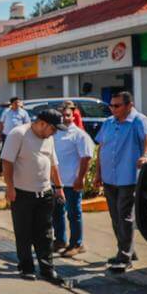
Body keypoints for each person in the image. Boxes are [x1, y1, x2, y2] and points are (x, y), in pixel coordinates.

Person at [1, 108, 67, 284]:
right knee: (24, 233)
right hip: (22, 193)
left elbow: (54, 165)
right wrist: (10, 187)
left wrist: (59, 187)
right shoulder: (18, 134)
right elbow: (7, 162)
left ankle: (47, 269)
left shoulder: (49, 138)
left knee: (45, 233)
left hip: (45, 192)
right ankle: (26, 267)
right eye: (53, 128)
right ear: (42, 123)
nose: (54, 133)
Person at [94, 91, 147, 273]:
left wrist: (146, 155)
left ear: (129, 105)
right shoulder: (108, 122)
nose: (112, 109)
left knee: (124, 215)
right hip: (109, 178)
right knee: (115, 216)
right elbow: (101, 148)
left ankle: (124, 257)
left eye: (117, 106)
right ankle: (128, 250)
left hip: (127, 177)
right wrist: (98, 173)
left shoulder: (139, 120)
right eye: (111, 106)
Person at [52, 101, 94, 258]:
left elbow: (86, 158)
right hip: (56, 183)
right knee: (56, 213)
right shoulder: (54, 132)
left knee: (73, 214)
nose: (64, 118)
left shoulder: (79, 135)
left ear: (73, 116)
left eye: (67, 115)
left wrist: (80, 178)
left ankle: (77, 243)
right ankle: (60, 241)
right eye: (61, 115)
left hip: (71, 182)